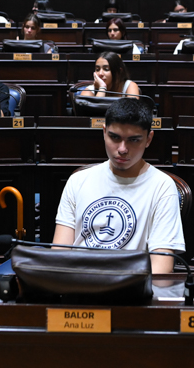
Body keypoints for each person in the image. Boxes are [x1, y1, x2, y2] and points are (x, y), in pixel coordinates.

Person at [53, 98, 184, 273]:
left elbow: (161, 268)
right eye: (115, 137)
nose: (122, 149)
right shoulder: (78, 180)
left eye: (134, 140)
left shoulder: (162, 187)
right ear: (104, 132)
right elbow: (59, 255)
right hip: (78, 285)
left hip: (130, 290)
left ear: (148, 139)